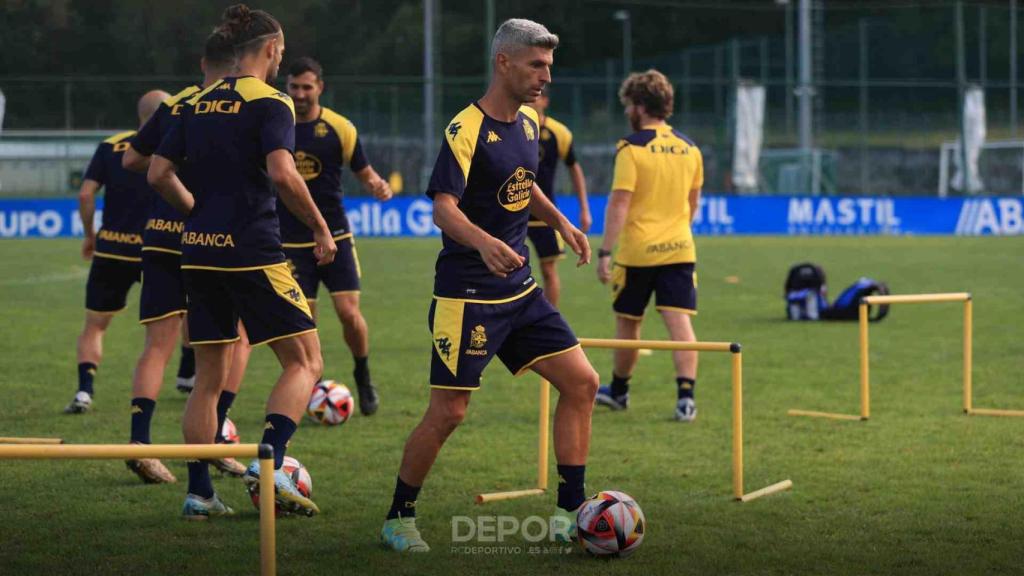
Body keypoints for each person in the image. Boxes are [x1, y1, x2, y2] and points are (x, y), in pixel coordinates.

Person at [379, 18, 598, 552]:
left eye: (549, 66)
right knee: (450, 411)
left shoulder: (528, 124)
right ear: (504, 63)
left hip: (520, 292)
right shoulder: (465, 129)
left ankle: (571, 508)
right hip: (468, 294)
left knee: (583, 383)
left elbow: (523, 189)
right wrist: (481, 242)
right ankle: (398, 518)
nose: (546, 76)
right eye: (536, 66)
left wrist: (561, 221)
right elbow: (442, 209)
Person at [148, 3, 337, 519]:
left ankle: (199, 493)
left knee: (208, 377)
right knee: (305, 360)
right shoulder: (272, 102)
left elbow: (158, 173)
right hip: (252, 250)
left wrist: (199, 214)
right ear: (272, 49)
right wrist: (321, 227)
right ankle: (270, 465)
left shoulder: (195, 102)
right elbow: (281, 172)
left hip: (199, 254)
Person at [119, 33, 251, 484]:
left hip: (158, 236)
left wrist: (170, 169)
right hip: (208, 238)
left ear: (201, 62)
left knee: (158, 345)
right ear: (239, 66)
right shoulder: (234, 105)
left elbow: (134, 159)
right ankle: (215, 437)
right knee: (232, 340)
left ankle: (141, 443)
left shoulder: (174, 104)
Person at [283, 56, 392, 415]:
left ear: (320, 88)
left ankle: (362, 374)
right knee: (305, 322)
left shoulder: (339, 128)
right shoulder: (275, 124)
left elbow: (364, 171)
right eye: (294, 86)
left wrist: (377, 184)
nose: (300, 94)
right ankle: (313, 389)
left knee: (348, 313)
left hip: (336, 236)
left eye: (306, 87)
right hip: (290, 241)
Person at [595, 69, 704, 422]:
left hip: (638, 252)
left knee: (628, 323)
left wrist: (605, 252)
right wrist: (676, 233)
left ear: (640, 106)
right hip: (679, 249)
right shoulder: (690, 149)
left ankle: (620, 392)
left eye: (629, 105)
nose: (627, 111)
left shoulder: (631, 148)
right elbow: (693, 203)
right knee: (679, 323)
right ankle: (686, 399)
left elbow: (619, 203)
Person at [64, 94, 158, 415]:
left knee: (95, 325)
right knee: (174, 321)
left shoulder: (111, 146)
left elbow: (85, 193)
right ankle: (187, 375)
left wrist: (90, 235)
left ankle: (84, 391)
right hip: (157, 249)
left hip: (112, 248)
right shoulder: (178, 146)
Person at [526, 86, 590, 308]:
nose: (532, 101)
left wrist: (584, 208)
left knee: (548, 269)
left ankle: (548, 320)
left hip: (545, 214)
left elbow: (574, 168)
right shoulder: (511, 127)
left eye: (537, 97)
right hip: (512, 211)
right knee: (503, 268)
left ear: (545, 101)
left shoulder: (559, 132)